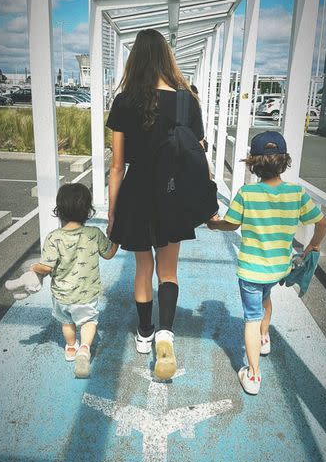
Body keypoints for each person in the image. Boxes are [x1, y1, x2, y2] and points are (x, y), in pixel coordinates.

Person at [106, 29, 206, 381]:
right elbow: (197, 149)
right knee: (169, 271)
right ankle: (166, 333)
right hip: (172, 193)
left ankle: (145, 333)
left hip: (135, 193)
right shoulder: (186, 100)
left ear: (135, 59)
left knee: (142, 268)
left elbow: (117, 165)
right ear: (166, 57)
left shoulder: (123, 102)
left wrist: (113, 211)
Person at [208, 131, 326, 395]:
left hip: (252, 270)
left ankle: (253, 375)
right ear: (284, 161)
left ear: (253, 163)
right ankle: (265, 338)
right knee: (266, 298)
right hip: (277, 269)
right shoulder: (296, 194)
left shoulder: (247, 194)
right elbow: (321, 222)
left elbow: (232, 224)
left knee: (251, 317)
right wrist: (314, 245)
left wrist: (215, 225)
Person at [30, 183, 118, 378]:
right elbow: (110, 253)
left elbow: (46, 267)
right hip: (87, 294)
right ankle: (85, 348)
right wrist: (116, 237)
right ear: (87, 210)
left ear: (59, 209)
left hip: (62, 295)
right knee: (88, 322)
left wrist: (33, 267)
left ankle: (70, 348)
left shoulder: (53, 238)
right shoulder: (94, 234)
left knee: (66, 322)